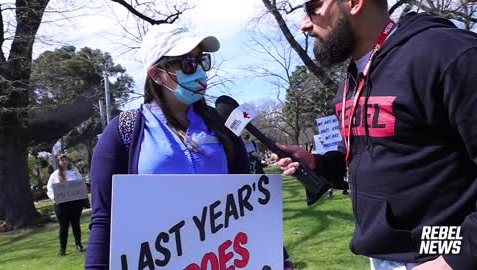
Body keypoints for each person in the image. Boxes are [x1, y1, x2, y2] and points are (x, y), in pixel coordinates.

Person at [273, 0, 477, 269]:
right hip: (382, 256)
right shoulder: (351, 79)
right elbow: (379, 159)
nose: (305, 23)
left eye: (314, 6)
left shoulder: (450, 54)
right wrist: (319, 164)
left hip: (441, 257)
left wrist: (456, 259)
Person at [85, 23, 290, 269]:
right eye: (187, 64)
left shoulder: (222, 127)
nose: (200, 73)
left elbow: (249, 203)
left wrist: (280, 258)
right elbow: (104, 220)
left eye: (201, 61)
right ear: (156, 74)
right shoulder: (123, 131)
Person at [46, 154, 86, 256]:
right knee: (64, 227)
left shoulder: (74, 172)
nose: (63, 162)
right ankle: (62, 249)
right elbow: (49, 189)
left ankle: (79, 244)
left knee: (76, 224)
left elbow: (80, 184)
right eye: (61, 160)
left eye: (65, 159)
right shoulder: (54, 175)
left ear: (68, 161)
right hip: (61, 205)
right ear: (58, 162)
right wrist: (54, 198)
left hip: (75, 204)